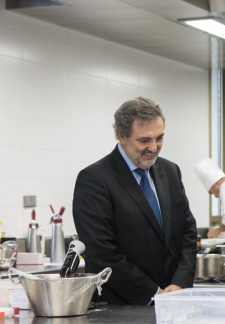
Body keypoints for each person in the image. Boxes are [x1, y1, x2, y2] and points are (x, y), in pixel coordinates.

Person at [73, 97, 198, 305]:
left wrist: (179, 284)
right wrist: (154, 293)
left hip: (174, 300)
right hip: (120, 308)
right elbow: (102, 253)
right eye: (144, 140)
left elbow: (187, 232)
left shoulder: (170, 171)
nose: (154, 147)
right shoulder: (95, 179)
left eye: (159, 138)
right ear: (121, 136)